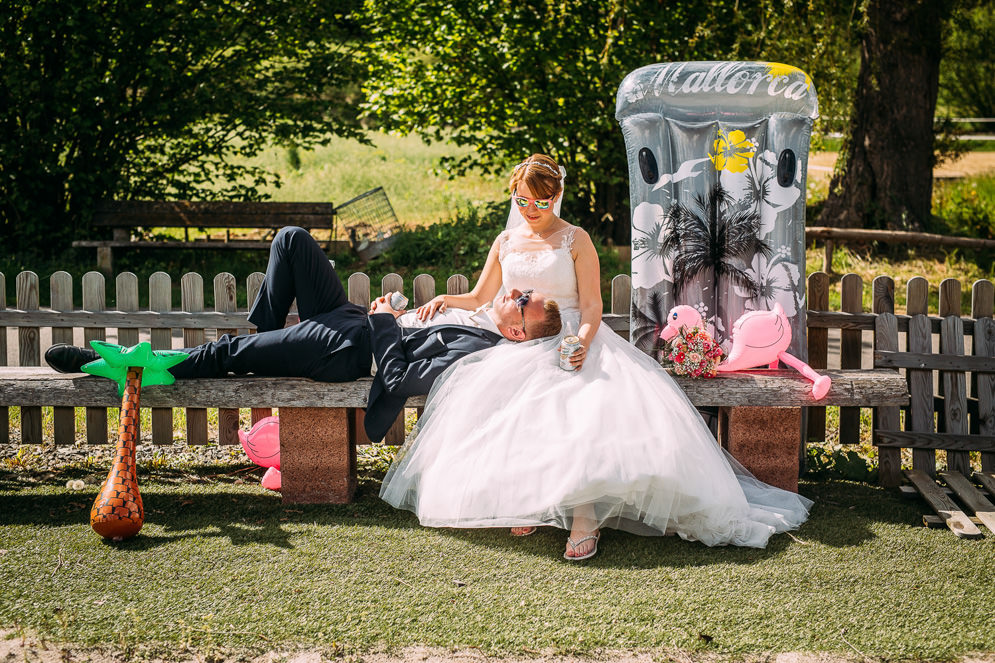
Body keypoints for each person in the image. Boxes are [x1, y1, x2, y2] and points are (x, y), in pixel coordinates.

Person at [379, 154, 812, 560]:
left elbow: (591, 306)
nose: (531, 209)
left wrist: (583, 341)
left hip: (572, 333)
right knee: (510, 404)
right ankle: (524, 502)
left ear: (557, 197)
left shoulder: (575, 239)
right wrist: (444, 299)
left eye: (541, 201)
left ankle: (584, 518)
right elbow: (480, 296)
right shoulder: (505, 240)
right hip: (523, 341)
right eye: (523, 200)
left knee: (579, 408)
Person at [44, 226, 562, 442]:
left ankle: (123, 364)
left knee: (228, 351)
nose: (515, 292)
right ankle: (259, 346)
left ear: (517, 333)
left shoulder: (479, 351)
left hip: (347, 349)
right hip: (348, 319)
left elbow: (400, 378)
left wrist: (383, 322)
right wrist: (392, 314)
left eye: (522, 301)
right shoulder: (473, 314)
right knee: (291, 240)